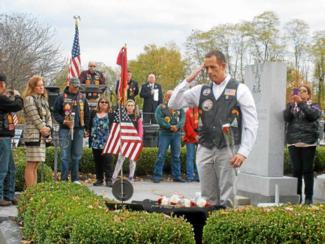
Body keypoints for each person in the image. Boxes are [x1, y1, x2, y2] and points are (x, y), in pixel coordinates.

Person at [168, 50, 258, 207]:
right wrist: (188, 80)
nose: (209, 72)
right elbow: (173, 104)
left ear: (223, 66)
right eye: (206, 68)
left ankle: (225, 228)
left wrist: (243, 152)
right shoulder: (201, 90)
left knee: (227, 197)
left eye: (213, 67)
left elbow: (251, 123)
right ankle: (207, 228)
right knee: (207, 199)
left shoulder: (240, 89)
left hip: (228, 149)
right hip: (205, 148)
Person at [284, 85, 320, 205]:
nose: (301, 93)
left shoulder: (314, 105)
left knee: (307, 170)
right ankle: (297, 196)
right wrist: (290, 104)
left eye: (304, 91)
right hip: (293, 142)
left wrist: (301, 103)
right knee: (296, 170)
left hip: (308, 143)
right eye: (299, 91)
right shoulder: (292, 106)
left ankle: (308, 198)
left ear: (309, 95)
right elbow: (286, 118)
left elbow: (313, 116)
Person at [53, 77, 90, 183]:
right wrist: (64, 121)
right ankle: (64, 179)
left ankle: (75, 179)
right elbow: (55, 113)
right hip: (65, 129)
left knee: (77, 155)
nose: (76, 89)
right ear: (69, 85)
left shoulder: (83, 97)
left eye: (77, 87)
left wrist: (86, 128)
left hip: (79, 129)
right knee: (65, 155)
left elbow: (87, 114)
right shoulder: (61, 97)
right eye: (74, 87)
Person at [22, 76, 52, 187]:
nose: (41, 87)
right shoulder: (29, 99)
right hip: (33, 135)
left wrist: (49, 128)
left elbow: (49, 116)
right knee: (31, 164)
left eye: (42, 85)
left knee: (36, 164)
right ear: (33, 87)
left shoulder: (43, 100)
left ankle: (34, 190)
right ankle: (30, 192)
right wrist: (43, 129)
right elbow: (34, 117)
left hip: (43, 136)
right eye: (38, 85)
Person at [0, 73, 23, 206]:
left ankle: (9, 195)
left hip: (6, 137)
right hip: (2, 137)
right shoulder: (1, 98)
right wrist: (18, 95)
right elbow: (16, 105)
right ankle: (1, 196)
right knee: (2, 169)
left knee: (11, 169)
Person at [152, 90, 185, 183]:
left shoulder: (179, 107)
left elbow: (183, 118)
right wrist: (169, 126)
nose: (170, 97)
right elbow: (159, 119)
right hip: (165, 133)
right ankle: (157, 176)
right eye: (168, 96)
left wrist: (177, 126)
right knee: (161, 155)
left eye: (172, 95)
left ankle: (177, 176)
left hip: (176, 134)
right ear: (165, 97)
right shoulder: (161, 107)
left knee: (176, 156)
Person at [112, 99, 143, 182]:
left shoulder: (137, 117)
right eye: (128, 105)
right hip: (124, 141)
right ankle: (114, 177)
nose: (130, 107)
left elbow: (140, 130)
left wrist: (139, 139)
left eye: (132, 105)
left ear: (134, 107)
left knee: (132, 160)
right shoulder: (122, 116)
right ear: (126, 106)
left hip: (134, 141)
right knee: (120, 159)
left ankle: (131, 177)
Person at [89, 97, 114, 187]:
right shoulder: (93, 113)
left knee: (108, 161)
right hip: (95, 141)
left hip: (107, 142)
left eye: (106, 102)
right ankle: (99, 179)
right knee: (97, 162)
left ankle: (109, 180)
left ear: (108, 104)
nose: (104, 103)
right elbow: (89, 124)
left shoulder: (111, 115)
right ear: (98, 103)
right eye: (102, 102)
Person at [183, 107, 200, 182]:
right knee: (190, 157)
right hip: (190, 138)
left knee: (199, 158)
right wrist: (195, 135)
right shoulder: (187, 112)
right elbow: (187, 126)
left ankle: (198, 176)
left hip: (200, 138)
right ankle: (190, 176)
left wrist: (200, 135)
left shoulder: (200, 111)